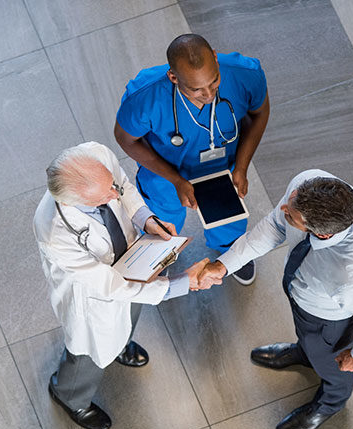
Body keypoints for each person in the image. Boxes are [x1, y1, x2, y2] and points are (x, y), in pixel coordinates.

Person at [33, 141, 219, 429]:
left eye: (110, 187)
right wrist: (181, 284)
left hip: (132, 261)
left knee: (130, 314)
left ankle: (120, 344)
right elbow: (111, 286)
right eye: (102, 199)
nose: (113, 196)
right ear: (72, 202)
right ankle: (70, 395)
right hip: (94, 296)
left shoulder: (96, 156)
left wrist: (147, 220)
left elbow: (124, 187)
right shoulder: (55, 232)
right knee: (89, 350)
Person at [199, 170, 353, 429]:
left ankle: (330, 403)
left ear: (321, 234)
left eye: (292, 216)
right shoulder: (310, 183)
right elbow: (274, 225)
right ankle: (305, 354)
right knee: (308, 339)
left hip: (328, 320)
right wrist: (224, 265)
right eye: (290, 203)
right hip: (302, 296)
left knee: (332, 364)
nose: (283, 209)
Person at [114, 33, 270, 286]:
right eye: (196, 89)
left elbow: (260, 112)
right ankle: (160, 256)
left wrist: (241, 166)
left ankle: (229, 250)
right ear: (173, 77)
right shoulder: (144, 97)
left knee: (228, 215)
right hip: (165, 174)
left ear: (216, 61)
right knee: (162, 220)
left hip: (222, 166)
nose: (208, 94)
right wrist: (175, 180)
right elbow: (125, 139)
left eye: (214, 82)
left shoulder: (246, 74)